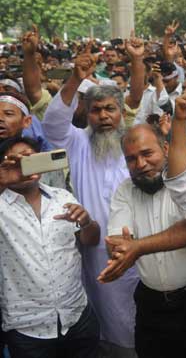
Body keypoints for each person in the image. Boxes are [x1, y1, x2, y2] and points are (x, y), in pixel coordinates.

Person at [41, 50, 139, 356]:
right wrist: (75, 78)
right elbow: (54, 124)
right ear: (86, 112)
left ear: (121, 112)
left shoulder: (134, 144)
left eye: (111, 109)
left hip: (138, 246)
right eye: (97, 110)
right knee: (108, 322)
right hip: (95, 249)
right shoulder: (78, 141)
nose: (104, 116)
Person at [102, 122, 186, 358]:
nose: (141, 164)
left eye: (147, 154)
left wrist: (138, 247)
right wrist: (119, 253)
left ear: (166, 149)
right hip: (152, 306)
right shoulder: (125, 191)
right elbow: (116, 242)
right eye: (131, 159)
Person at [0, 137, 101, 358]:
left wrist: (87, 222)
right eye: (15, 161)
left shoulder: (62, 197)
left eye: (29, 158)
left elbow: (91, 240)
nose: (24, 165)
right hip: (28, 329)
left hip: (77, 316)